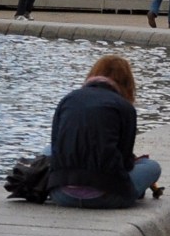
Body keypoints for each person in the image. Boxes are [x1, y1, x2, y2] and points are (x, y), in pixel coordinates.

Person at [44, 54, 162, 209]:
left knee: (47, 150)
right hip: (108, 196)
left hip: (61, 194)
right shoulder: (124, 108)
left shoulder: (68, 99)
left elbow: (56, 145)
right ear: (127, 83)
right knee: (152, 166)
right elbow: (125, 162)